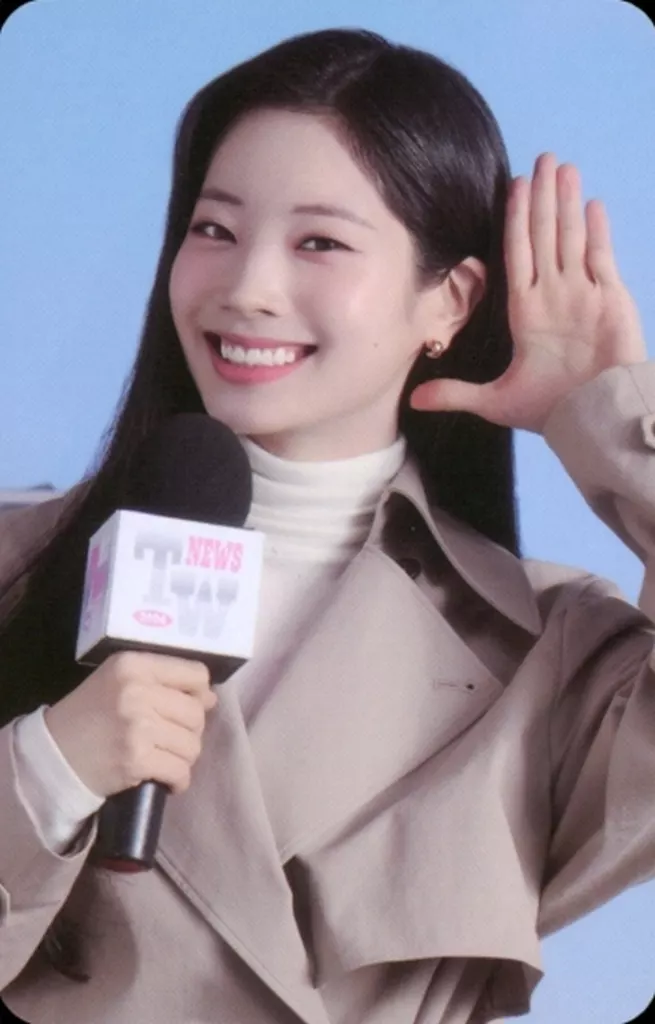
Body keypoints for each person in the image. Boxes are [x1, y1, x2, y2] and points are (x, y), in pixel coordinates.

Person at [0, 25, 652, 1024]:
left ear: (450, 301)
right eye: (213, 228)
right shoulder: (18, 566)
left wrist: (609, 423)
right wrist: (47, 771)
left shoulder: (549, 654)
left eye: (319, 243)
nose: (246, 288)